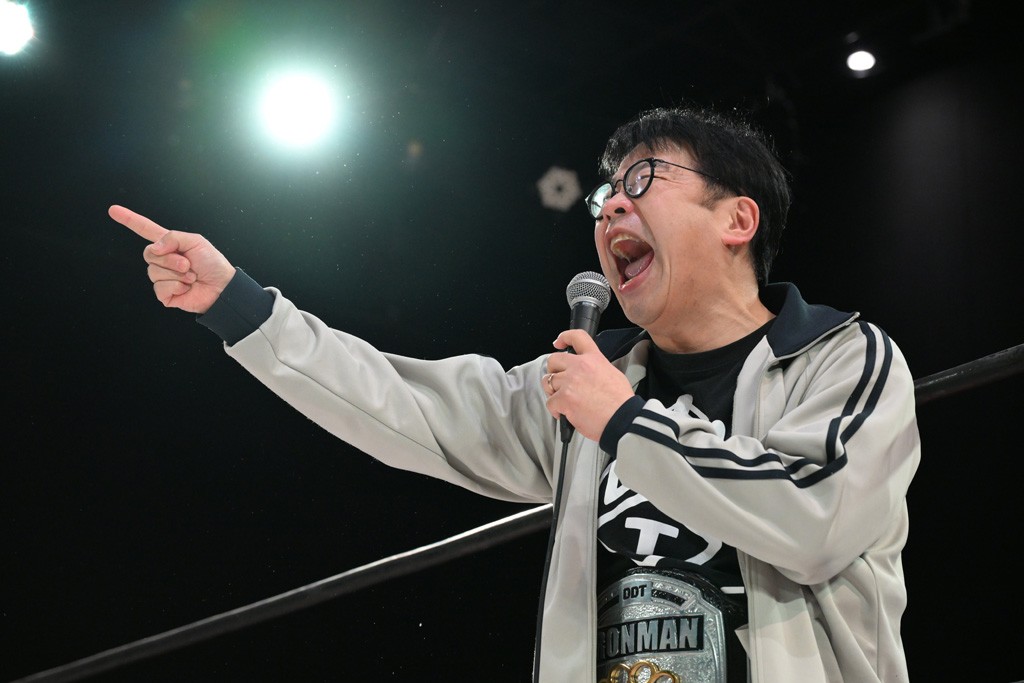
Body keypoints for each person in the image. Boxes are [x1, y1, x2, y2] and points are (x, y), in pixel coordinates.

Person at [110, 105, 920, 682]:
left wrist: (624, 420)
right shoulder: (584, 388)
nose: (612, 207)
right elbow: (401, 401)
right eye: (604, 198)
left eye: (645, 179)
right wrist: (239, 305)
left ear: (737, 219)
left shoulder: (841, 359)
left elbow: (813, 520)